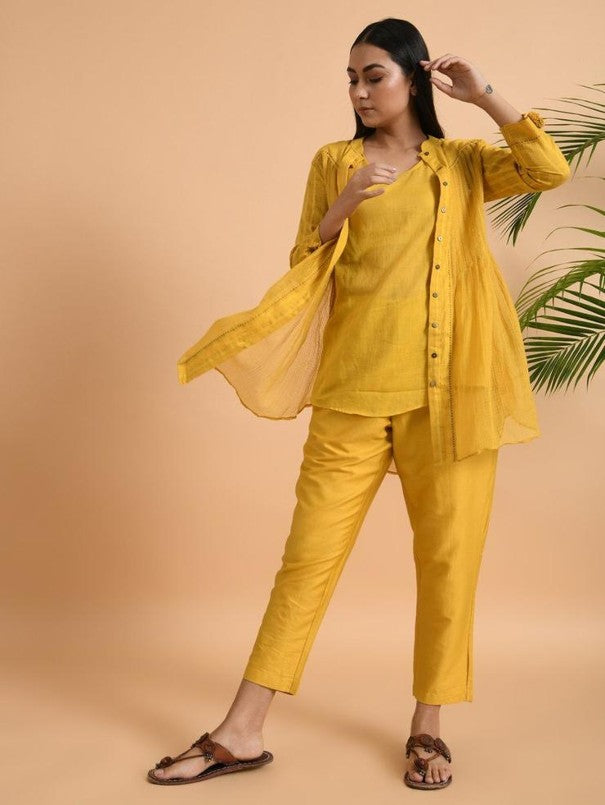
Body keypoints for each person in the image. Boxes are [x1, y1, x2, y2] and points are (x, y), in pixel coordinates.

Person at [148, 17, 570, 791]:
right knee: (305, 561)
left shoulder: (462, 163)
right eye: (350, 78)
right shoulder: (334, 161)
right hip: (352, 391)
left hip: (450, 399)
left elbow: (547, 168)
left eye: (373, 75)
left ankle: (427, 724)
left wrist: (483, 95)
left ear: (413, 75)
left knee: (448, 562)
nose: (358, 91)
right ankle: (240, 730)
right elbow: (305, 262)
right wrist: (341, 206)